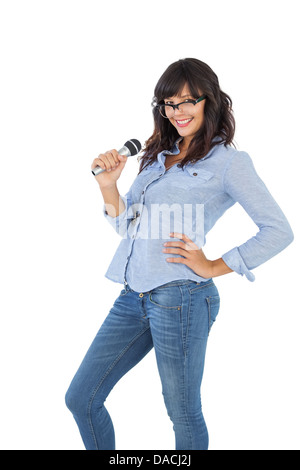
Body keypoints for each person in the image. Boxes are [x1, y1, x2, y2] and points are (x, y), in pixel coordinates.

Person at [65, 58, 294, 450]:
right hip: (133, 295)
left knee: (182, 412)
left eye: (188, 101)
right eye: (169, 103)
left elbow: (279, 231)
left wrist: (213, 265)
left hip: (182, 299)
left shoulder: (229, 163)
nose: (178, 112)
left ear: (210, 101)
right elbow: (128, 227)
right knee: (81, 398)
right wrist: (107, 187)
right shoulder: (155, 155)